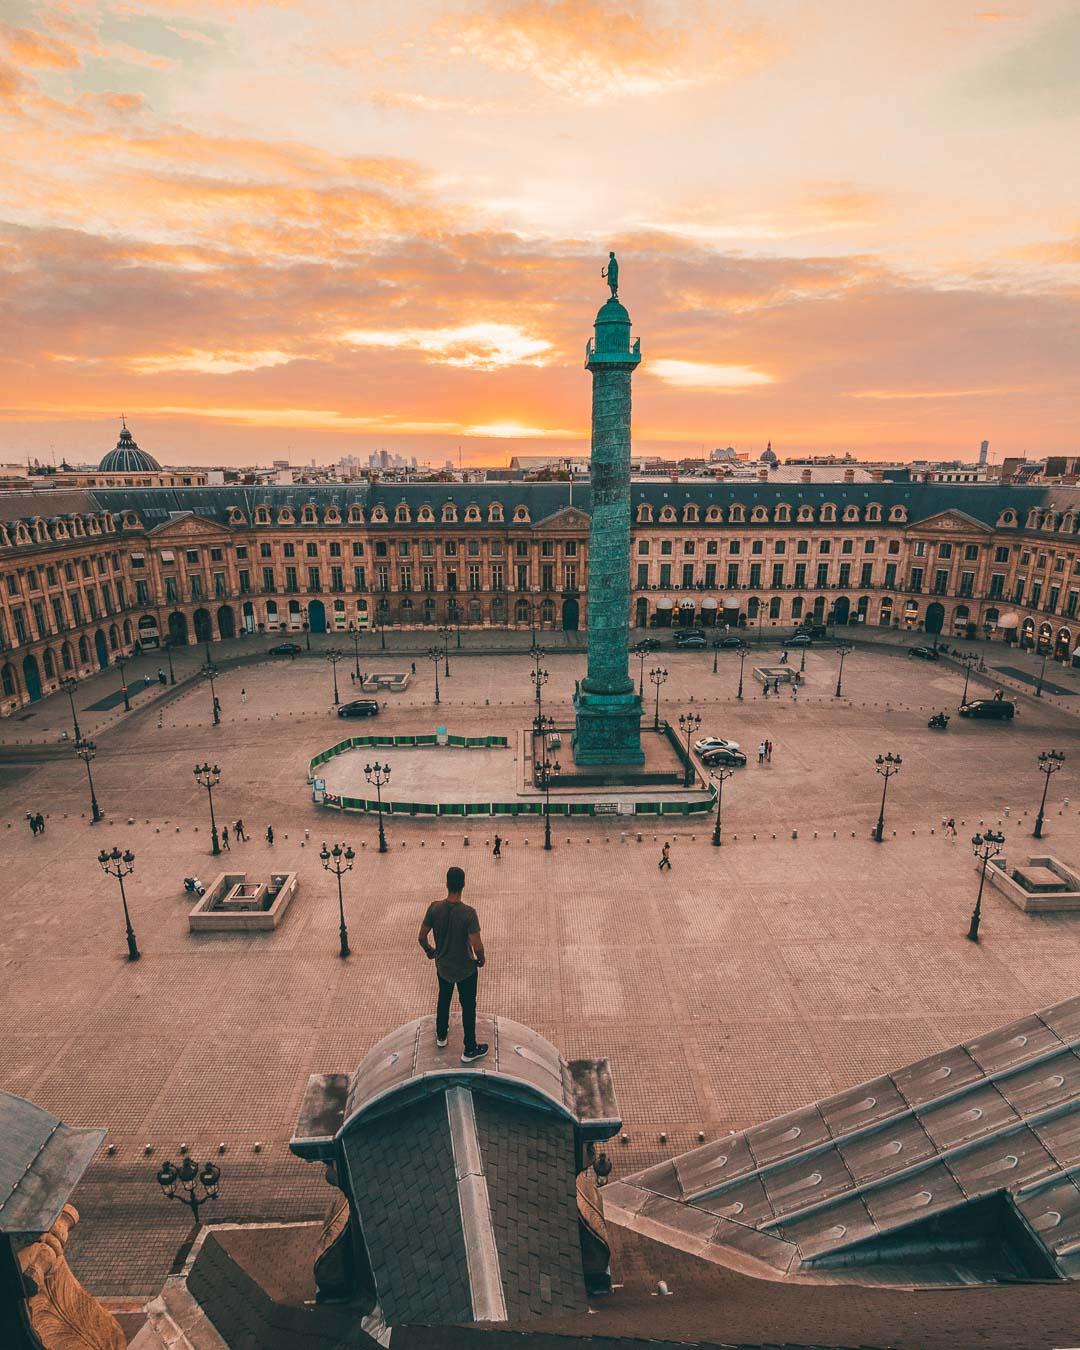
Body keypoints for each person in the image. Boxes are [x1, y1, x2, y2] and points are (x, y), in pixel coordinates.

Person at [418, 866, 488, 1063]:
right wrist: (481, 959)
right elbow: (477, 944)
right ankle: (469, 1048)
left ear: (447, 884)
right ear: (463, 885)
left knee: (444, 999)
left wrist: (430, 951)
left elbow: (421, 937)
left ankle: (441, 1035)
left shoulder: (434, 908)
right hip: (466, 969)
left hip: (443, 966)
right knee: (468, 1006)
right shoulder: (468, 913)